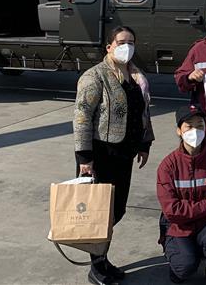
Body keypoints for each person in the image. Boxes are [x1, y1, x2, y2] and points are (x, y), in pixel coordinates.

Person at [74, 26, 155, 285]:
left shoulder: (136, 77)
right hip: (101, 154)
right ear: (108, 46)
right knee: (99, 212)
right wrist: (84, 158)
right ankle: (96, 266)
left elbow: (143, 113)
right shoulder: (94, 77)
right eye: (121, 42)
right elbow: (82, 118)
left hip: (125, 153)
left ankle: (103, 258)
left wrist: (144, 144)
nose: (126, 46)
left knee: (116, 210)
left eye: (131, 42)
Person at [157, 106, 206, 284]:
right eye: (189, 126)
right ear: (179, 131)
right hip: (179, 226)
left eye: (200, 126)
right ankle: (178, 263)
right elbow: (171, 210)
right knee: (185, 267)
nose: (196, 131)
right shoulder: (168, 165)